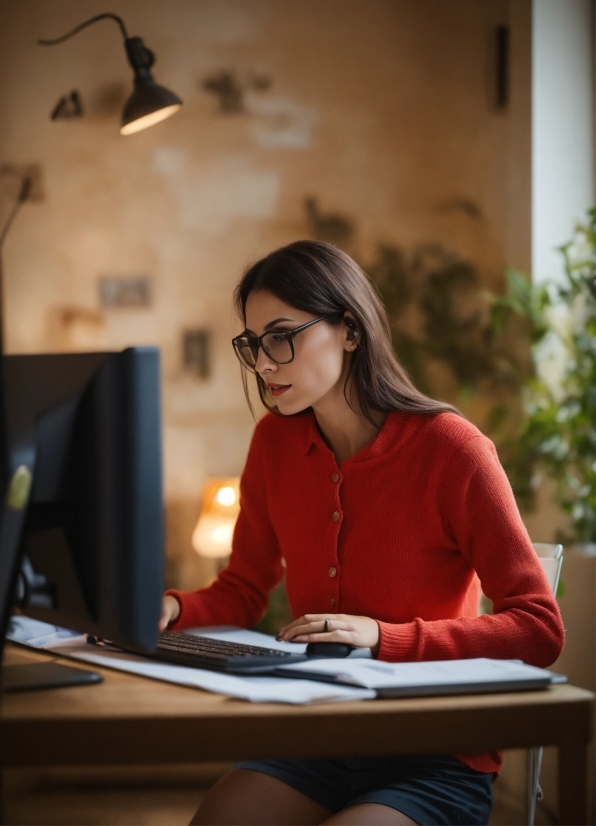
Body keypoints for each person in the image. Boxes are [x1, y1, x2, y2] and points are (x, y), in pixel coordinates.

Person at [159, 240, 564, 826]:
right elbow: (243, 590)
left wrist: (384, 637)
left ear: (350, 329)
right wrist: (169, 608)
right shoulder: (274, 445)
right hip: (316, 738)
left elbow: (539, 627)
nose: (265, 363)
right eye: (253, 344)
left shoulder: (453, 451)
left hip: (434, 755)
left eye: (281, 335)